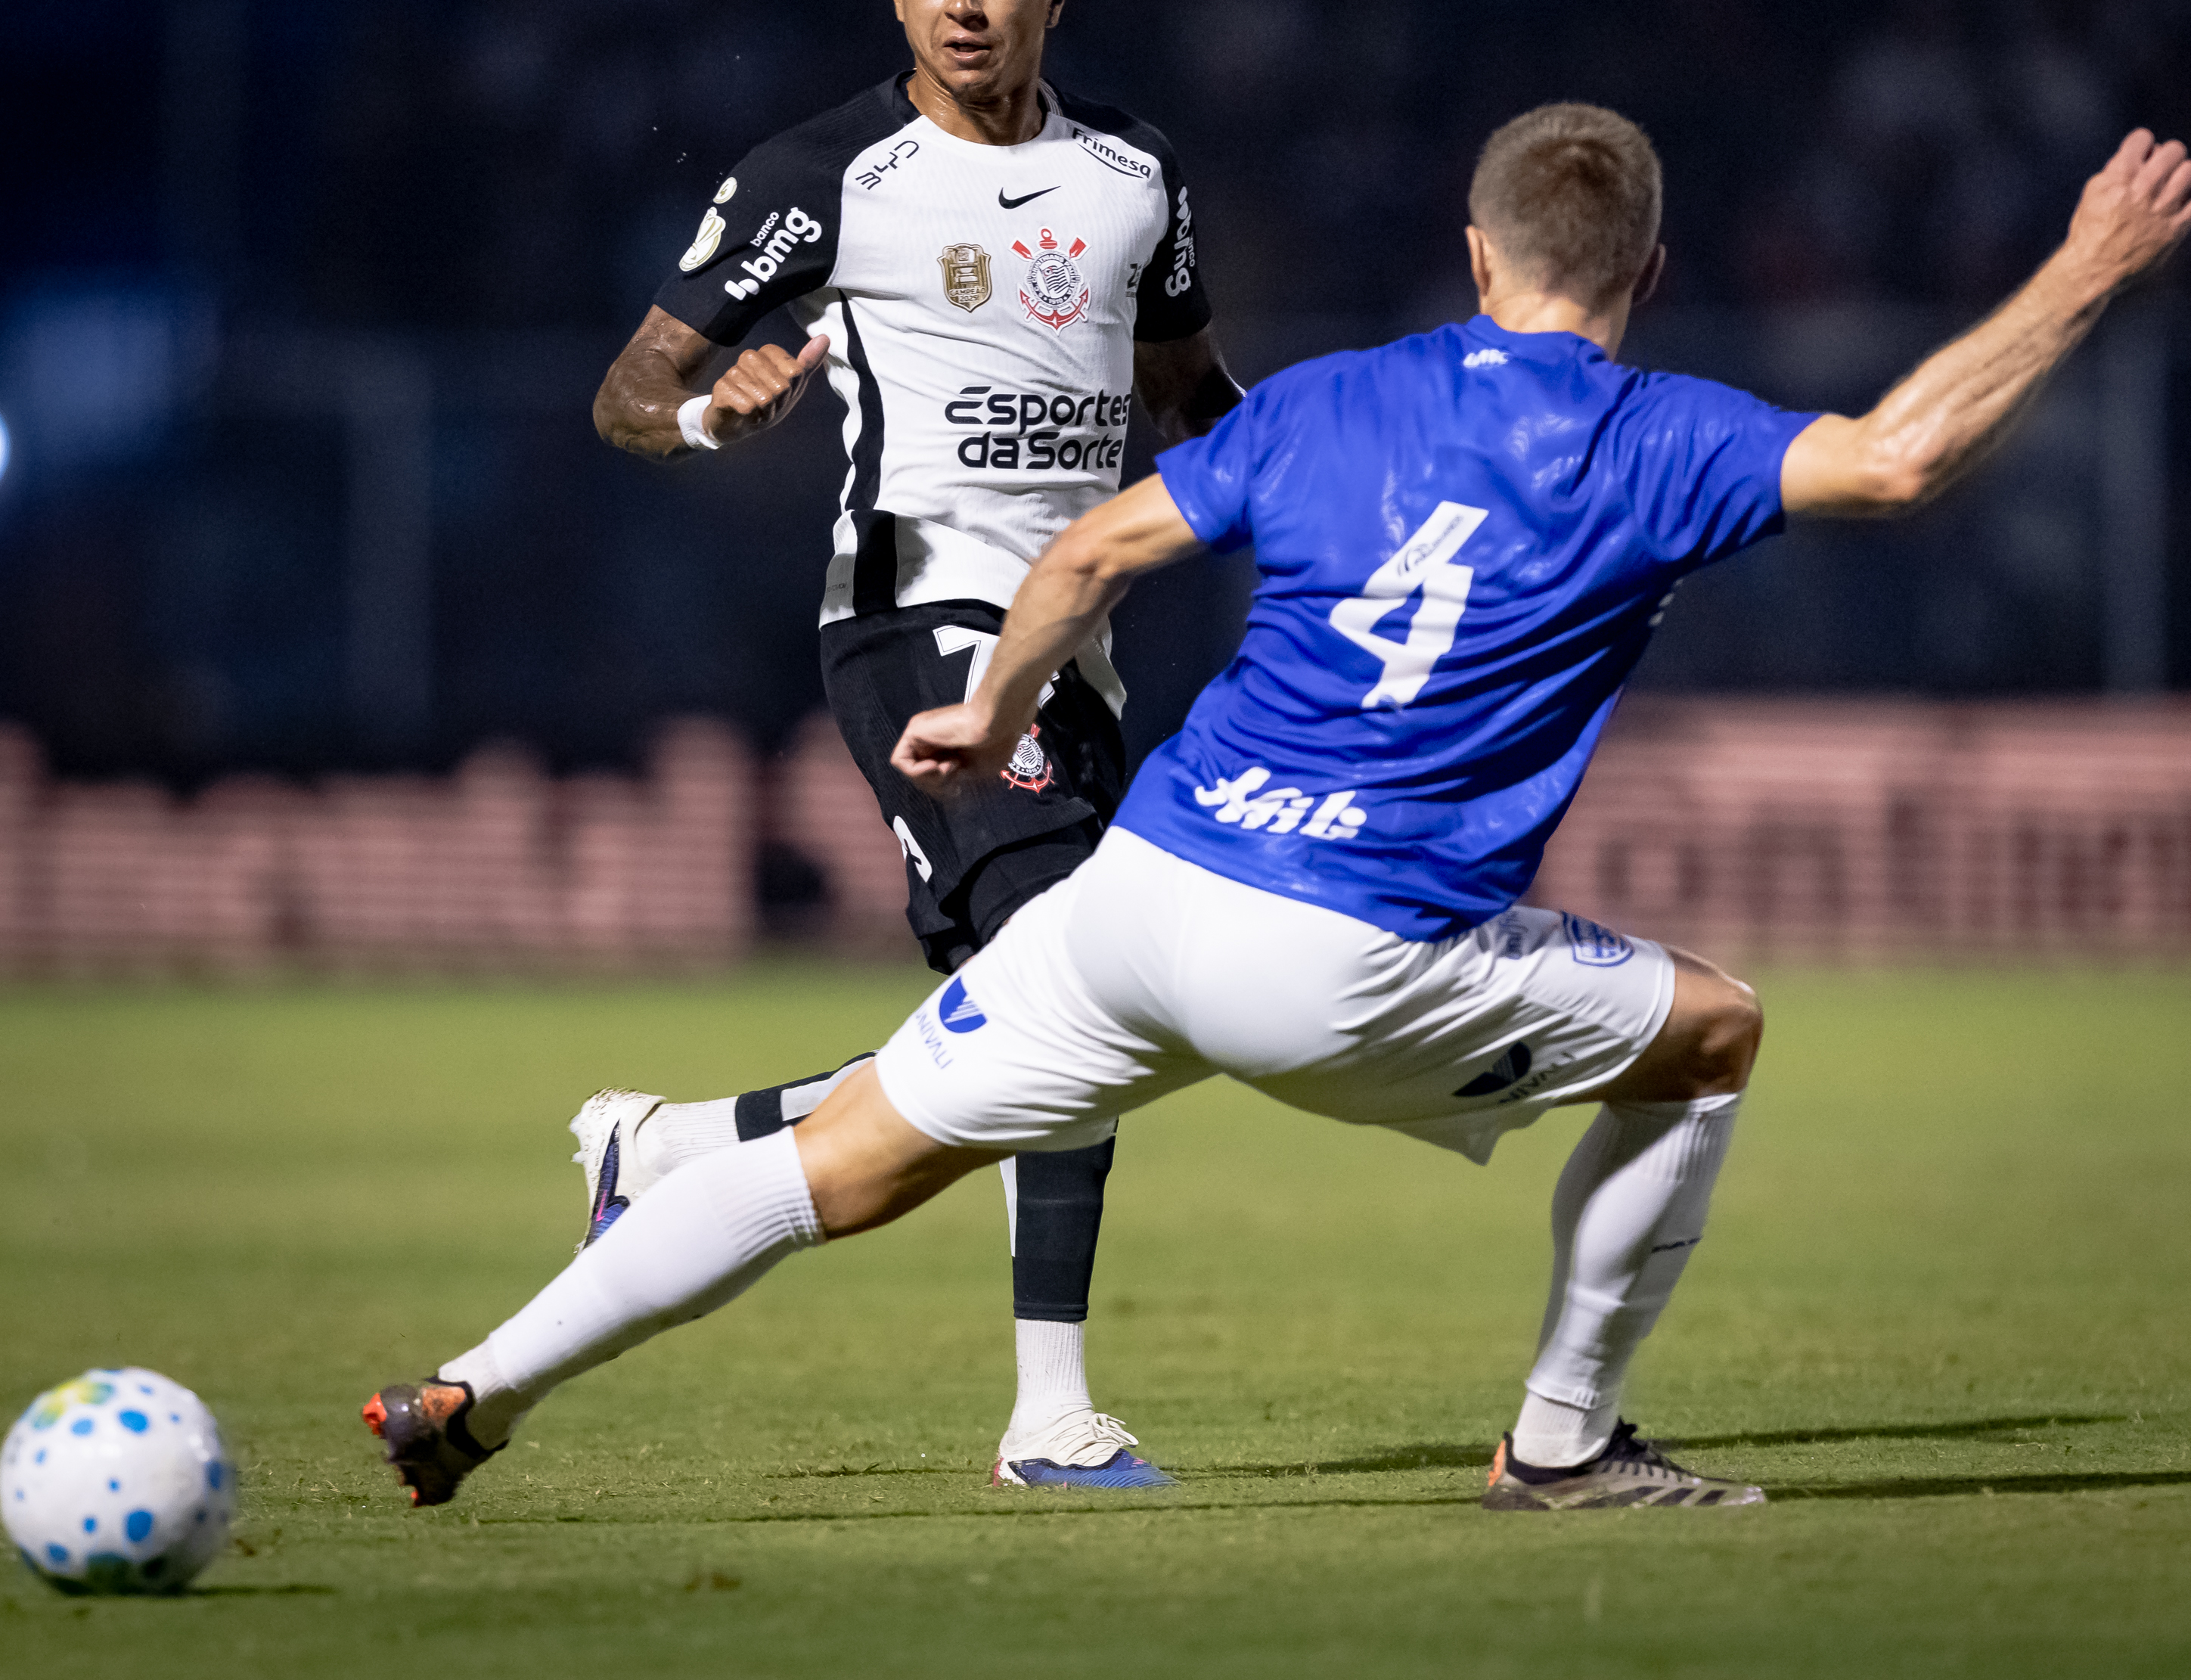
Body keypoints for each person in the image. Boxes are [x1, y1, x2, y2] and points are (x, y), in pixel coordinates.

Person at [365, 105, 2189, 1512]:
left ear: (1472, 252)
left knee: (837, 1165)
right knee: (1711, 1028)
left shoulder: (1329, 404)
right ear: (1644, 263)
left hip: (1144, 892)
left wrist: (986, 708)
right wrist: (2091, 266)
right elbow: (1907, 454)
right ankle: (1562, 1444)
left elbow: (1091, 546)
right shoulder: (1662, 439)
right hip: (1349, 955)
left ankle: (471, 1390)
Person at [579, 0, 1239, 1488]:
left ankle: (674, 1146)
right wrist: (710, 420)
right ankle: (1052, 1416)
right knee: (1072, 961)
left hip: (1075, 651)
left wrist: (1324, 489)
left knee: (1070, 1012)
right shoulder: (823, 177)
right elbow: (627, 395)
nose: (964, 2)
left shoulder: (1135, 180)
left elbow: (1190, 397)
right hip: (912, 620)